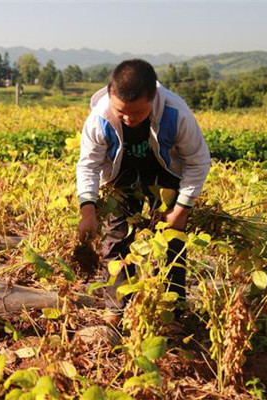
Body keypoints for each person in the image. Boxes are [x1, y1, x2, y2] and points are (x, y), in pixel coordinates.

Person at [76, 59, 211, 325]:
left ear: (153, 98)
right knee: (116, 240)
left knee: (172, 241)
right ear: (110, 95)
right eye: (121, 112)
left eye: (136, 113)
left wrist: (182, 209)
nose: (127, 118)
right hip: (122, 179)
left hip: (165, 175)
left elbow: (198, 161)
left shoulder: (176, 113)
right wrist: (88, 210)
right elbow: (88, 165)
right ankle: (116, 308)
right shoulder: (100, 117)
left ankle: (173, 309)